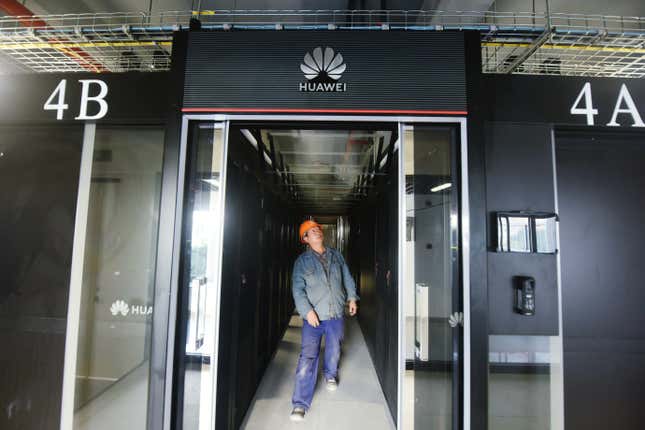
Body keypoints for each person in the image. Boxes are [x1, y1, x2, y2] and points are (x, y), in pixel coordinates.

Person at [289, 219, 359, 422]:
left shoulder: (336, 255)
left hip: (335, 312)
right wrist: (307, 311)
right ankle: (300, 403)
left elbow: (347, 277)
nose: (317, 232)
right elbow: (297, 289)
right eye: (311, 231)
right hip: (313, 317)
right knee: (308, 357)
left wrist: (352, 297)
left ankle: (330, 373)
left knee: (334, 347)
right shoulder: (301, 262)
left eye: (318, 229)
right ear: (305, 239)